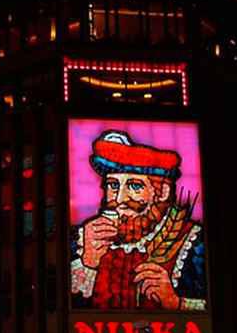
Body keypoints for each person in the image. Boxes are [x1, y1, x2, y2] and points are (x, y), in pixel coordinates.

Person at [70, 131, 204, 310]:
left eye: (135, 186)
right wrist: (88, 263)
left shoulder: (193, 243)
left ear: (163, 192)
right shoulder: (81, 240)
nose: (119, 199)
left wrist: (175, 302)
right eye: (113, 185)